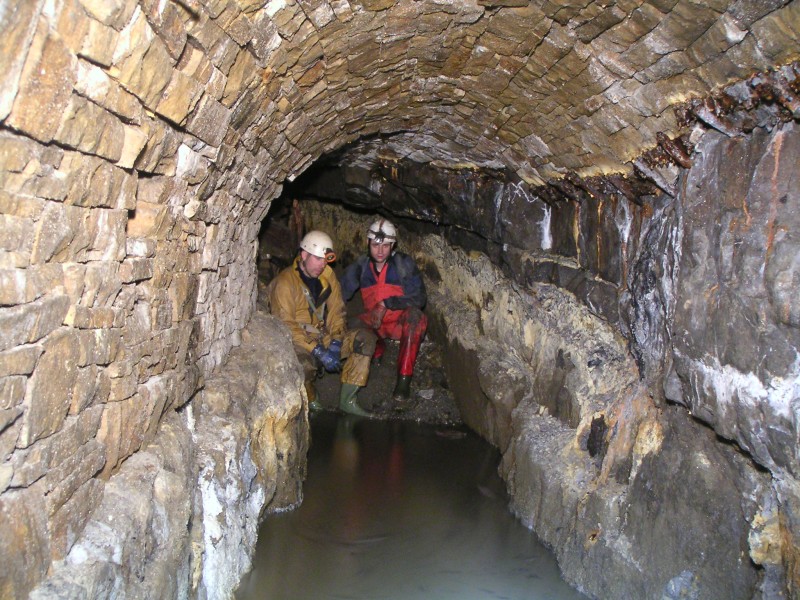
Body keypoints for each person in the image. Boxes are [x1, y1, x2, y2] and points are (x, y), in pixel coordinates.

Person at [269, 230, 377, 417]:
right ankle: (311, 400)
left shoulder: (327, 276)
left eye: (325, 260)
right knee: (303, 366)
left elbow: (337, 311)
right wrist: (317, 351)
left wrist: (336, 341)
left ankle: (347, 401)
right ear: (304, 255)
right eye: (318, 259)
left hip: (322, 335)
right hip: (299, 342)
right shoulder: (285, 282)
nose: (322, 264)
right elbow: (285, 325)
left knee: (365, 339)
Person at [341, 218, 428, 401]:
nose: (380, 251)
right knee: (351, 324)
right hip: (375, 323)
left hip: (398, 322)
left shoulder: (403, 264)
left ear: (393, 245)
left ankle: (404, 380)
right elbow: (341, 293)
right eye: (375, 245)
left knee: (416, 318)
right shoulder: (361, 266)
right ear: (367, 243)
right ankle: (377, 351)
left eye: (386, 246)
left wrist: (386, 304)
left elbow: (419, 298)